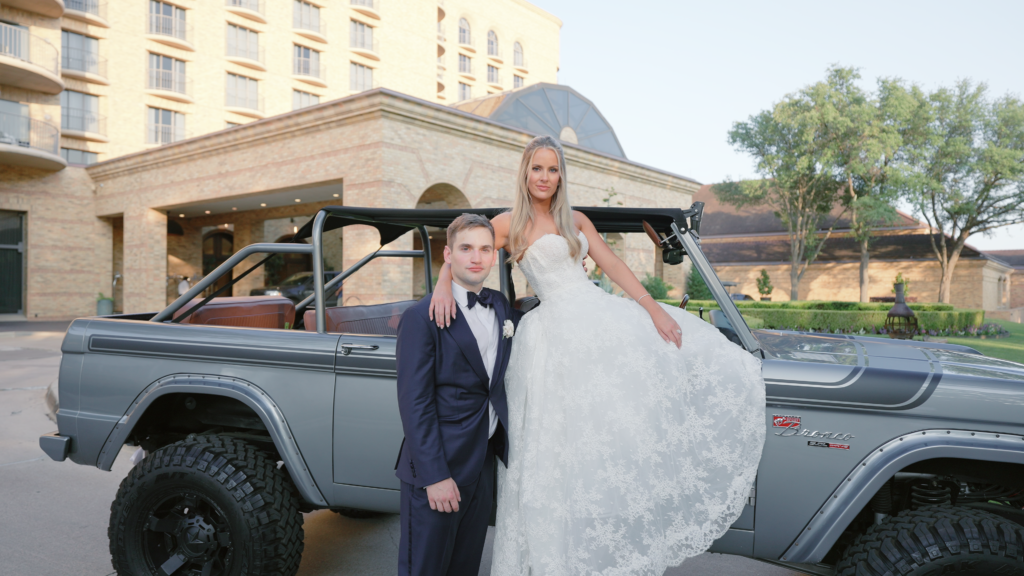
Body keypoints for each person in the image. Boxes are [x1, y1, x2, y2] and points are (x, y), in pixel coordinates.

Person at [428, 136, 766, 575]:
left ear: (561, 175)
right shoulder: (506, 224)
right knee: (550, 449)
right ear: (525, 173)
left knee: (605, 435)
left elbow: (614, 267)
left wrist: (651, 310)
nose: (544, 177)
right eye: (537, 169)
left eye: (552, 169)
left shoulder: (577, 220)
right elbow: (464, 251)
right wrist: (441, 285)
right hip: (550, 337)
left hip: (595, 316)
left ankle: (594, 551)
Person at [394, 213, 521, 576]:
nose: (476, 257)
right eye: (466, 249)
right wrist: (435, 476)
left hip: (482, 464)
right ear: (448, 255)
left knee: (465, 567)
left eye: (484, 248)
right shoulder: (422, 317)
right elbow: (414, 403)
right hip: (439, 466)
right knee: (425, 568)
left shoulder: (500, 306)